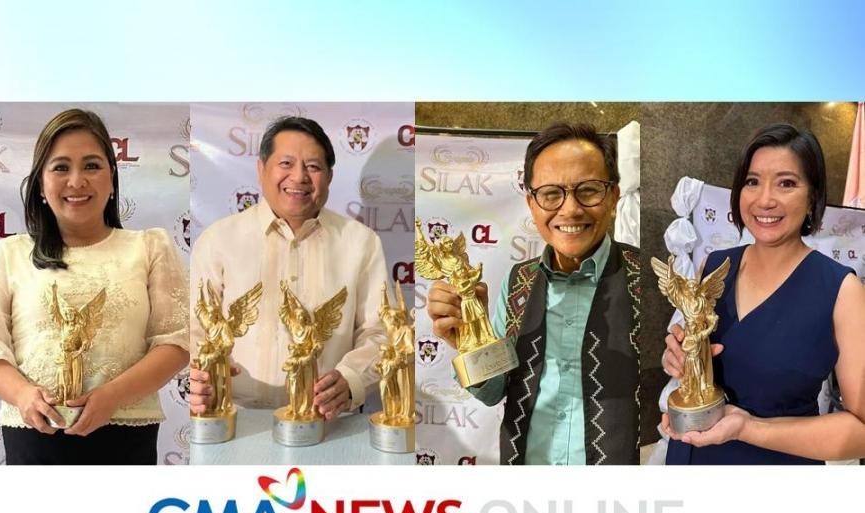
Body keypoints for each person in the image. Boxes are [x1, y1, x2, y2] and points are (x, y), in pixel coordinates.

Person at [0, 108, 190, 464]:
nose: (76, 181)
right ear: (41, 183)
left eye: (91, 166)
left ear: (112, 178)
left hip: (127, 436)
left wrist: (113, 396)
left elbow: (176, 341)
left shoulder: (149, 248)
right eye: (60, 167)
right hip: (35, 436)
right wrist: (23, 395)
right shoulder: (6, 255)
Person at [427, 122, 641, 465]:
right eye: (551, 193)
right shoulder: (519, 283)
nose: (570, 210)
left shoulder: (646, 277)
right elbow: (493, 392)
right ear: (531, 203)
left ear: (614, 197)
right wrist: (470, 341)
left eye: (588, 190)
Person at [662, 123, 865, 463]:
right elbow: (691, 344)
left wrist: (748, 428)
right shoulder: (714, 265)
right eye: (752, 181)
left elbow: (860, 431)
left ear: (812, 196)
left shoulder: (842, 290)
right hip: (690, 452)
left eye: (786, 183)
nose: (765, 199)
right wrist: (679, 356)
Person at [189, 116, 387, 419]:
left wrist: (351, 379)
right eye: (286, 164)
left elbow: (381, 332)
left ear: (329, 176)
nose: (299, 177)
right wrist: (200, 374)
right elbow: (193, 328)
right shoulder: (219, 240)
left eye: (313, 166)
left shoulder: (361, 242)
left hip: (326, 421)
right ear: (261, 169)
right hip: (234, 419)